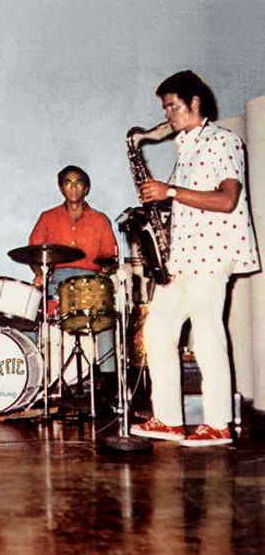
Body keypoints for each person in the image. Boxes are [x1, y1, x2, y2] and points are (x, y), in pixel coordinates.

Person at [131, 71, 260, 447]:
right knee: (158, 331)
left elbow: (227, 199)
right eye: (165, 107)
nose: (167, 115)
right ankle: (169, 420)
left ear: (195, 103)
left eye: (172, 105)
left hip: (212, 255)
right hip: (182, 259)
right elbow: (187, 203)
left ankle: (219, 424)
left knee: (207, 337)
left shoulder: (224, 140)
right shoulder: (185, 151)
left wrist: (169, 191)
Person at [28, 166, 119, 378]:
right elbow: (33, 252)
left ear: (86, 188)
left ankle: (108, 377)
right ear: (61, 188)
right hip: (58, 280)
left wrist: (106, 271)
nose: (73, 187)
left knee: (105, 317)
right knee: (31, 314)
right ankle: (38, 375)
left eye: (78, 182)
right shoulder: (47, 217)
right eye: (67, 183)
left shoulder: (100, 219)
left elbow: (110, 257)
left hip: (90, 281)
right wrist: (39, 274)